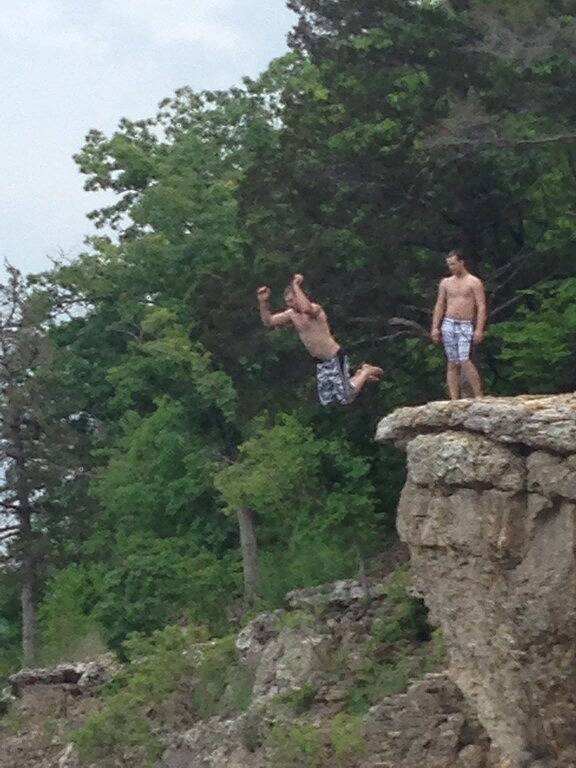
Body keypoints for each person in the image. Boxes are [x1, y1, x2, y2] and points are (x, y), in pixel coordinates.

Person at [257, 273, 383, 406]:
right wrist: (263, 302)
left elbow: (306, 308)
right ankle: (357, 376)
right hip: (321, 362)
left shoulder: (315, 309)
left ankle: (365, 371)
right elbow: (269, 321)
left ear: (300, 296)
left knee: (346, 396)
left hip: (334, 356)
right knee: (327, 400)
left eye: (292, 300)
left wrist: (296, 285)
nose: (290, 304)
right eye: (287, 302)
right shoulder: (291, 314)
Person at [430, 249, 487, 400]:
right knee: (452, 362)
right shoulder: (446, 283)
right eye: (449, 264)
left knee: (464, 358)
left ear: (461, 262)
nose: (451, 267)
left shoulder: (474, 282)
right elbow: (440, 305)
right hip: (449, 323)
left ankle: (478, 395)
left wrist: (479, 329)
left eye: (454, 264)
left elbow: (481, 306)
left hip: (465, 324)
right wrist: (435, 327)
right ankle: (454, 398)